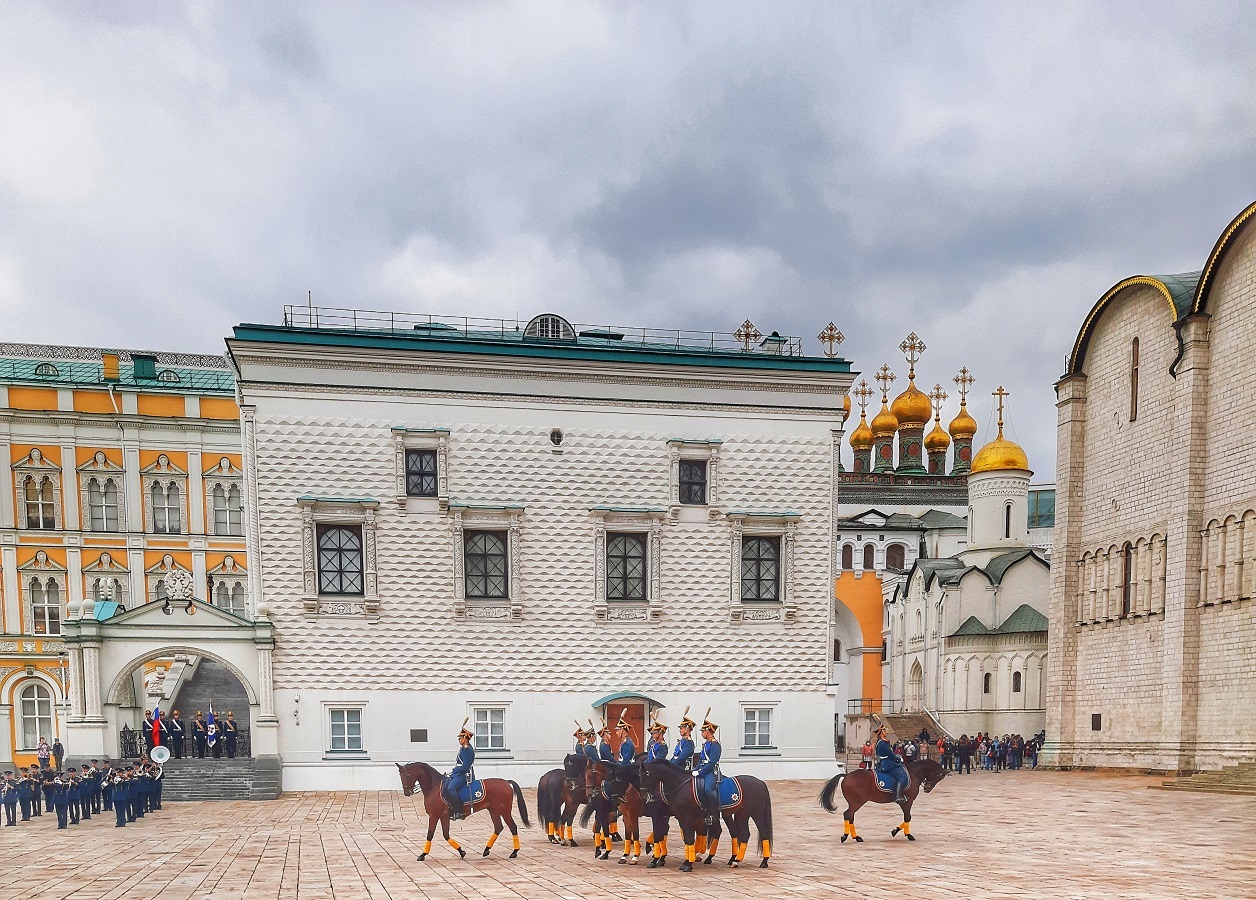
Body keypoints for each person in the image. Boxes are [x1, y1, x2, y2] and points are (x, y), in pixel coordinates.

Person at [443, 719, 475, 821]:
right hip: (459, 773)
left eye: (460, 738)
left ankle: (459, 811)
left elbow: (465, 767)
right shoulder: (462, 748)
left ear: (465, 738)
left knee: (451, 788)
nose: (459, 740)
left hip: (465, 775)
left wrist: (455, 770)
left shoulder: (467, 750)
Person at [693, 712, 722, 825]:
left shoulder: (715, 745)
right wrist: (695, 769)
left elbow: (712, 762)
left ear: (708, 731)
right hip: (702, 770)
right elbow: (701, 759)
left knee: (708, 790)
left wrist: (700, 771)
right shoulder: (706, 744)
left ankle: (713, 815)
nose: (702, 734)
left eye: (703, 731)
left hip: (710, 772)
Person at [873, 723, 910, 802]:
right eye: (884, 730)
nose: (886, 731)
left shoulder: (879, 742)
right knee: (901, 778)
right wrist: (898, 759)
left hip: (883, 762)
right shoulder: (883, 743)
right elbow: (890, 754)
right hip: (887, 763)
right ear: (882, 732)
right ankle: (898, 797)